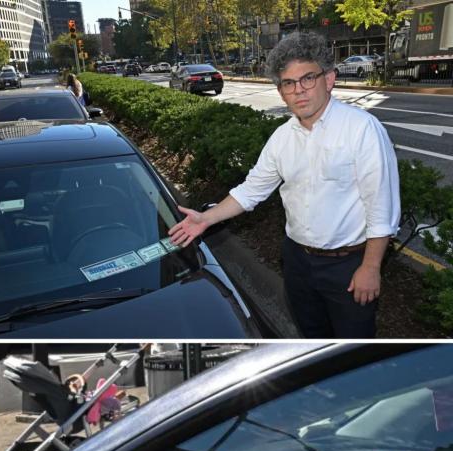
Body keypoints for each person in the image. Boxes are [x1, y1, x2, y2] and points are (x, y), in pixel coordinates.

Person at [167, 32, 400, 338]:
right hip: (297, 263)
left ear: (328, 79)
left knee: (353, 347)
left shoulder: (362, 129)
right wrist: (206, 218)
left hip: (348, 265)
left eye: (308, 79)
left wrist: (370, 267)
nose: (299, 91)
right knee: (311, 341)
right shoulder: (282, 138)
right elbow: (252, 189)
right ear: (280, 91)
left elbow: (382, 207)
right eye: (288, 83)